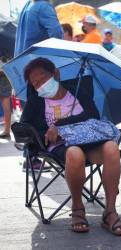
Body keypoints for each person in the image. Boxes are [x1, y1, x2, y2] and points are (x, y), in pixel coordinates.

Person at [21, 58, 121, 235]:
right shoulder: (36, 102)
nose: (40, 85)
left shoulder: (78, 91)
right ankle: (78, 207)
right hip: (61, 148)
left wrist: (62, 125)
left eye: (43, 78)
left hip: (90, 141)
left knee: (111, 148)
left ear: (55, 74)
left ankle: (110, 212)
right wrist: (47, 133)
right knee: (74, 153)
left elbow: (92, 115)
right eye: (36, 83)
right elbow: (26, 129)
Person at [15, 0, 63, 171]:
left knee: (31, 111)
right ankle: (32, 156)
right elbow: (57, 34)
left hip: (26, 65)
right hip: (40, 67)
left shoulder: (28, 5)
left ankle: (30, 155)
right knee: (37, 113)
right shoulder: (43, 6)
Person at [0, 57, 12, 139]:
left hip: (4, 74)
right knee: (6, 105)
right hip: (6, 72)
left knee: (6, 104)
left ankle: (7, 130)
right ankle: (7, 130)